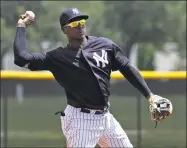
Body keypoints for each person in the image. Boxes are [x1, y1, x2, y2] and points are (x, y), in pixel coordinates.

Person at [13, 8, 173, 148]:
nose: (80, 25)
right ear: (65, 30)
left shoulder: (105, 45)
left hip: (106, 118)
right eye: (74, 23)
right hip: (80, 120)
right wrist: (21, 26)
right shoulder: (58, 57)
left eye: (81, 21)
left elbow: (126, 68)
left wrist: (150, 96)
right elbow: (21, 58)